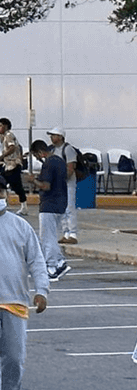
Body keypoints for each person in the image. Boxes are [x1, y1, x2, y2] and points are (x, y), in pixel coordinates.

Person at [0, 181, 49, 390]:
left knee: (14, 357)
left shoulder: (21, 227)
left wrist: (42, 291)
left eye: (0, 192)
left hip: (14, 303)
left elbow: (37, 262)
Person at [29, 140, 70, 282]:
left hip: (49, 204)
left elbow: (45, 186)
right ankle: (60, 261)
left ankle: (52, 266)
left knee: (47, 237)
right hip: (61, 202)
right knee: (51, 235)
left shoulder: (48, 163)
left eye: (36, 156)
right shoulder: (59, 161)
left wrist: (33, 180)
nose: (37, 159)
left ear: (40, 152)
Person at [46, 128, 80, 244]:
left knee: (69, 208)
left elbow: (70, 168)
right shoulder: (52, 149)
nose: (51, 137)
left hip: (67, 183)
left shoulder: (68, 149)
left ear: (60, 137)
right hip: (58, 184)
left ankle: (73, 233)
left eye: (54, 135)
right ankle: (65, 233)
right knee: (62, 209)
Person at [0, 119, 27, 216]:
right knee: (2, 183)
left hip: (13, 165)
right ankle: (4, 204)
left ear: (6, 126)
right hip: (7, 165)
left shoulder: (8, 135)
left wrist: (2, 156)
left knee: (16, 186)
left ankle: (24, 206)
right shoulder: (4, 137)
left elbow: (12, 148)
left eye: (0, 126)